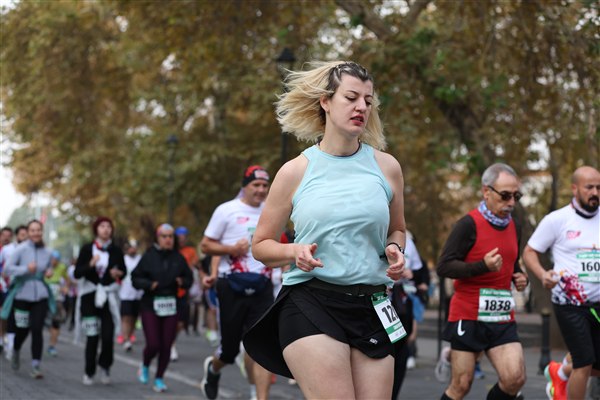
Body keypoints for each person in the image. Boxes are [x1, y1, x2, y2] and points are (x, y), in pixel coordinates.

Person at [243, 61, 407, 400]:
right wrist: (293, 251)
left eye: (368, 100)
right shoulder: (295, 171)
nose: (361, 107)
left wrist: (395, 249)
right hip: (311, 301)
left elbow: (398, 230)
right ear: (326, 101)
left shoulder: (387, 167)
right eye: (351, 97)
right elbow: (261, 245)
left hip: (372, 303)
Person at [436, 163, 529, 400]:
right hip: (468, 314)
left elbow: (511, 263)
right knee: (461, 385)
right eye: (505, 195)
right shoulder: (467, 225)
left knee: (515, 379)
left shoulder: (515, 226)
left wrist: (520, 276)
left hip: (501, 315)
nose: (511, 202)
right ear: (486, 192)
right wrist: (482, 266)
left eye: (516, 196)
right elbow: (444, 266)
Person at [522, 165, 600, 400]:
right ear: (574, 189)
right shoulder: (557, 220)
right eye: (589, 187)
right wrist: (542, 274)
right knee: (584, 363)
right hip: (569, 303)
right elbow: (529, 252)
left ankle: (560, 372)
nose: (595, 192)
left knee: (594, 366)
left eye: (599, 188)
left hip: (597, 303)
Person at [199, 165, 275, 400]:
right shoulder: (226, 210)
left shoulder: (272, 210)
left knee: (261, 346)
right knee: (230, 351)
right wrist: (232, 249)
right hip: (231, 285)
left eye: (265, 185)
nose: (261, 190)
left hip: (262, 286)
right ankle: (213, 369)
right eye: (256, 185)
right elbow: (206, 245)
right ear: (245, 186)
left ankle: (259, 396)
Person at [132, 223, 193, 393]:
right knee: (153, 344)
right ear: (158, 238)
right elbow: (135, 278)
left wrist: (183, 282)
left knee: (166, 345)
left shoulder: (179, 258)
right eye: (164, 236)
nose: (168, 239)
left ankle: (159, 378)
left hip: (171, 304)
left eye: (171, 236)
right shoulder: (149, 256)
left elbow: (189, 279)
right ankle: (145, 364)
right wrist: (149, 284)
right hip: (150, 304)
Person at [74, 216, 125, 385]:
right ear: (96, 229)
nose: (106, 229)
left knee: (108, 335)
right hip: (89, 296)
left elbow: (123, 271)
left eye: (108, 227)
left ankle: (105, 365)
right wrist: (90, 264)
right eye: (102, 226)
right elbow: (77, 273)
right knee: (92, 336)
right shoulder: (87, 249)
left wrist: (118, 274)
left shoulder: (116, 250)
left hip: (108, 297)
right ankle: (89, 371)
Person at [1, 220, 55, 378]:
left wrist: (49, 272)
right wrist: (26, 268)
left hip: (40, 296)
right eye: (32, 230)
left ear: (42, 232)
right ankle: (16, 349)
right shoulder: (20, 249)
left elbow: (48, 268)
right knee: (22, 329)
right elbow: (7, 269)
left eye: (38, 230)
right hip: (22, 296)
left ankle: (36, 365)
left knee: (37, 329)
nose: (36, 233)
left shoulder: (48, 251)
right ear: (28, 233)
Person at [170, 225, 199, 361]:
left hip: (184, 290)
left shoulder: (191, 251)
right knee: (170, 320)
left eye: (184, 237)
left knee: (180, 323)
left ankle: (171, 341)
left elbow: (196, 266)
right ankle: (171, 346)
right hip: (169, 291)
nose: (181, 240)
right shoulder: (170, 250)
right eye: (179, 237)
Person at [1, 225, 27, 359]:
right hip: (7, 288)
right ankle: (7, 343)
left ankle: (13, 344)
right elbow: (4, 269)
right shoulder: (7, 250)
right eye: (22, 234)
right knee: (6, 315)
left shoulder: (32, 249)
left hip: (25, 289)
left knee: (20, 319)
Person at [117, 240, 143, 352]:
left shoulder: (140, 260)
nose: (132, 249)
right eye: (130, 247)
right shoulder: (123, 260)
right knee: (126, 317)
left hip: (138, 294)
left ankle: (130, 334)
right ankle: (126, 339)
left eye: (134, 247)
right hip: (125, 293)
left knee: (134, 317)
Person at [45, 250, 70, 356]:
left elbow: (67, 279)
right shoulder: (45, 266)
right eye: (52, 259)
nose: (54, 261)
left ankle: (52, 346)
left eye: (56, 259)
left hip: (57, 298)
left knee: (56, 322)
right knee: (43, 321)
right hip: (44, 297)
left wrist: (65, 287)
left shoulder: (62, 267)